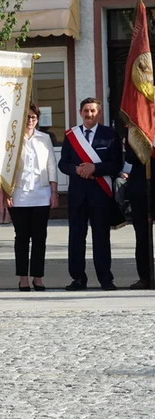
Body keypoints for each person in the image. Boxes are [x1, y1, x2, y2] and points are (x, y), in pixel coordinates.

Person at [59, 97, 123, 291]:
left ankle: (105, 278)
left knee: (101, 238)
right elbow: (63, 163)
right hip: (78, 195)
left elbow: (116, 164)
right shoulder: (71, 136)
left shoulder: (110, 135)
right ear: (80, 113)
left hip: (100, 194)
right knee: (76, 238)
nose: (89, 114)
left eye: (93, 111)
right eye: (86, 111)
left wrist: (95, 168)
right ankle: (78, 278)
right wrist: (76, 170)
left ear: (99, 112)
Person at [7, 103, 58, 292]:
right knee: (21, 238)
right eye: (27, 117)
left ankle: (38, 277)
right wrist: (6, 192)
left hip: (41, 194)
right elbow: (6, 168)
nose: (30, 121)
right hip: (19, 195)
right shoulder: (12, 138)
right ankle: (23, 278)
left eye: (33, 118)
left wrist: (54, 192)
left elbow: (51, 165)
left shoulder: (45, 138)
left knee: (39, 238)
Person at [123, 141, 153, 289]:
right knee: (142, 235)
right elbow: (129, 157)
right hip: (140, 187)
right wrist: (145, 146)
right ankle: (145, 277)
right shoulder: (136, 129)